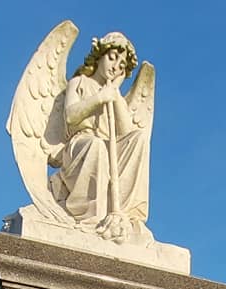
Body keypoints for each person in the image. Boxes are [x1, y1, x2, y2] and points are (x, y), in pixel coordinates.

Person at [48, 32, 151, 241]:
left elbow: (127, 132)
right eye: (112, 57)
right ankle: (90, 217)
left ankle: (126, 216)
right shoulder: (79, 82)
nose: (115, 66)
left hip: (107, 149)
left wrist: (114, 93)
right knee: (95, 145)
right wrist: (99, 98)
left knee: (139, 139)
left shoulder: (115, 95)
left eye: (121, 65)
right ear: (100, 55)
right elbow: (70, 116)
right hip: (80, 147)